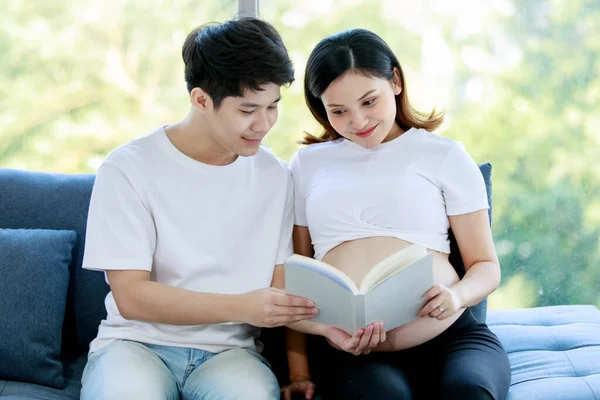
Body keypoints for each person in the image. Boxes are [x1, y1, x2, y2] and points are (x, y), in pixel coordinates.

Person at [79, 18, 319, 400]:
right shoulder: (128, 168)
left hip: (231, 355)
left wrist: (306, 363)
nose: (264, 124)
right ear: (201, 100)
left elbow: (282, 288)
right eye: (248, 110)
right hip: (135, 346)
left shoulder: (275, 176)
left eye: (273, 106)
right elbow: (132, 297)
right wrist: (242, 306)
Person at [281, 28, 511, 400]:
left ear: (396, 81)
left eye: (369, 101)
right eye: (338, 111)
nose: (357, 121)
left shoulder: (444, 155)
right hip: (356, 351)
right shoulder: (307, 164)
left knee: (469, 392)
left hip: (450, 337)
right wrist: (299, 373)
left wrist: (456, 297)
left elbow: (486, 265)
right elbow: (297, 276)